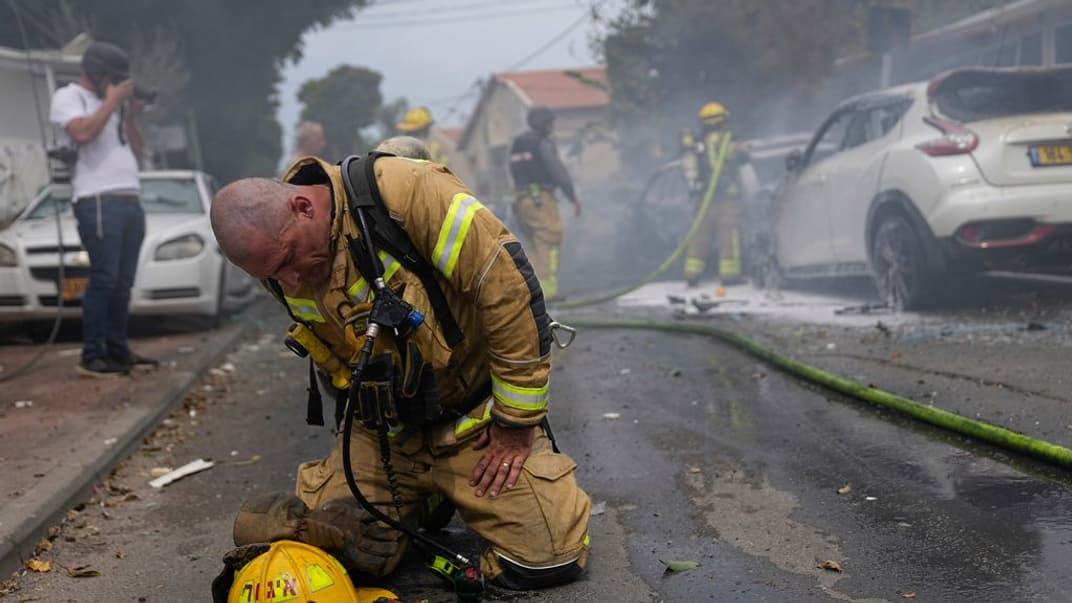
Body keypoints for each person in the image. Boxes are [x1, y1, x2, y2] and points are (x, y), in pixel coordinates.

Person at [209, 153, 591, 591]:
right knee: (332, 553)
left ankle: (438, 494)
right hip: (386, 435)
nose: (292, 281)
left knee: (547, 560)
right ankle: (420, 499)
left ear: (303, 207)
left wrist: (514, 422)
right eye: (275, 275)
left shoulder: (407, 191)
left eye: (290, 258)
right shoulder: (281, 260)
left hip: (475, 423)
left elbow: (507, 290)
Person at [49, 41, 157, 377]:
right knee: (104, 278)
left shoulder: (113, 109)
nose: (118, 84)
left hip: (129, 199)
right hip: (97, 199)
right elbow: (82, 133)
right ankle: (92, 354)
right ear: (97, 72)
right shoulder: (68, 97)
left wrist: (130, 114)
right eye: (113, 77)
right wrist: (112, 101)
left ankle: (117, 349)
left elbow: (138, 151)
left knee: (123, 282)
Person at [507, 106, 580, 300]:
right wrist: (572, 197)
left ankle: (534, 290)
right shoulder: (541, 143)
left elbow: (514, 173)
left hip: (522, 201)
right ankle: (548, 291)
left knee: (535, 244)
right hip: (540, 199)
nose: (552, 126)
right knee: (550, 238)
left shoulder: (518, 144)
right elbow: (557, 171)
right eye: (550, 122)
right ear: (544, 123)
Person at [681, 101, 750, 288]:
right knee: (728, 235)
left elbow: (689, 170)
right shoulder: (726, 141)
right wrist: (740, 144)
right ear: (723, 120)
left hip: (704, 198)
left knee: (698, 236)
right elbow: (744, 156)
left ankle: (691, 274)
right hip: (726, 198)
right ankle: (730, 276)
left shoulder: (697, 145)